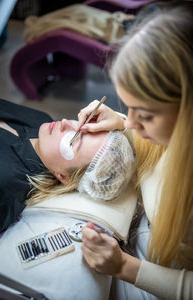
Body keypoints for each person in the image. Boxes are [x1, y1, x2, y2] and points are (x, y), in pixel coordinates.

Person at [78, 3, 193, 299]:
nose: (131, 122)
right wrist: (121, 121)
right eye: (126, 105)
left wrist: (123, 267)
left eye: (146, 114)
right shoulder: (165, 133)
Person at [0, 97, 135, 237]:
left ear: (63, 176)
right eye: (83, 124)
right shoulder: (41, 119)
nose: (65, 122)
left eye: (71, 141)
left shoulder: (0, 184)